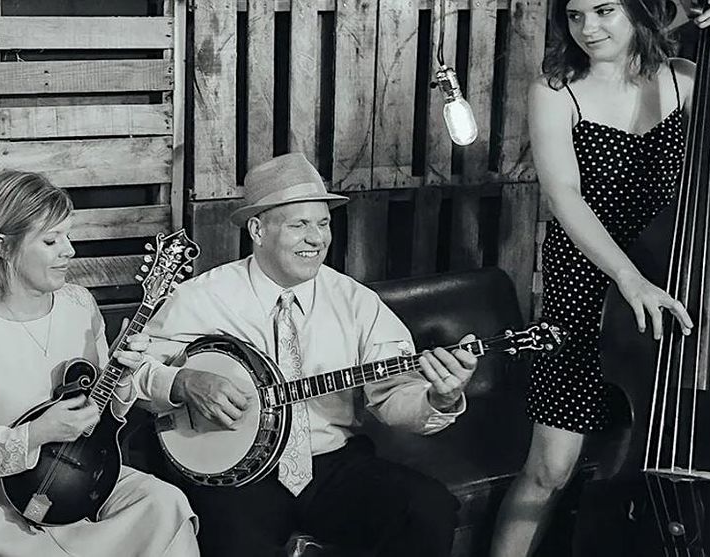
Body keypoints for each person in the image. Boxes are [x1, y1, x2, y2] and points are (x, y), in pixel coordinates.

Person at [490, 0, 710, 554]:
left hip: (676, 286)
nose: (588, 28)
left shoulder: (685, 79)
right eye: (575, 16)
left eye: (604, 11)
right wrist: (628, 280)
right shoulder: (557, 91)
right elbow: (564, 197)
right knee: (550, 468)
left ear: (638, 12)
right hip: (587, 289)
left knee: (673, 441)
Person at [129, 152, 479, 557]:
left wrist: (440, 398)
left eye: (324, 223)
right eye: (300, 225)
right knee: (231, 542)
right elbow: (136, 370)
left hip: (331, 463)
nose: (317, 238)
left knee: (427, 510)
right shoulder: (203, 297)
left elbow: (394, 396)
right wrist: (183, 382)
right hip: (234, 476)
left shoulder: (355, 302)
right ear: (258, 230)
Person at [0, 170, 199, 557]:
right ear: (3, 246)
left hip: (82, 474)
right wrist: (36, 433)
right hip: (4, 503)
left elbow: (101, 409)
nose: (70, 250)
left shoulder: (79, 304)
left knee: (165, 502)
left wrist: (121, 376)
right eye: (51, 240)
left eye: (68, 236)